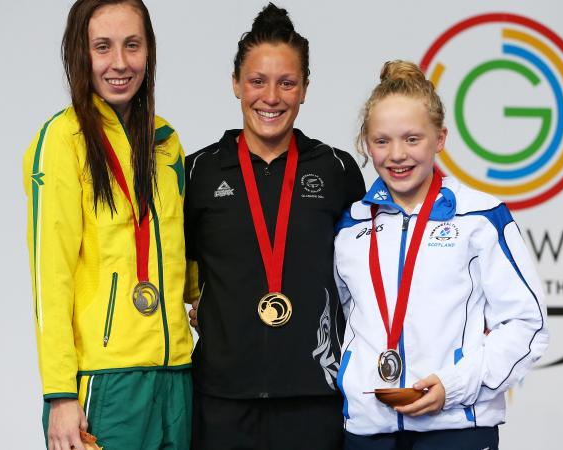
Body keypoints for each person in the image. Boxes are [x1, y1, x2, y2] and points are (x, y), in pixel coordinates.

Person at [333, 60, 549, 449]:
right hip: (369, 431)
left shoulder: (481, 217)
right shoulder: (351, 226)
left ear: (441, 138)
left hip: (456, 427)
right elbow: (341, 321)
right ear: (367, 143)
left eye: (412, 139)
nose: (397, 155)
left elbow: (526, 324)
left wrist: (455, 386)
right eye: (382, 141)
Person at [184, 3, 366, 449]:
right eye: (257, 81)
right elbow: (171, 265)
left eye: (287, 82)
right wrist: (201, 307)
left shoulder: (337, 170)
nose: (271, 97)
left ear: (304, 89)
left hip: (315, 397)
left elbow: (365, 277)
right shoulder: (197, 172)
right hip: (222, 398)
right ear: (235, 84)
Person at [22, 1, 192, 449]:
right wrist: (60, 393)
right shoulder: (61, 141)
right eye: (103, 47)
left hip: (176, 374)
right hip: (106, 380)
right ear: (81, 54)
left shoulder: (166, 141)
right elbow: (50, 276)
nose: (120, 63)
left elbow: (183, 254)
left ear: (149, 51)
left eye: (132, 45)